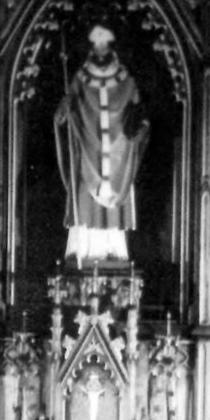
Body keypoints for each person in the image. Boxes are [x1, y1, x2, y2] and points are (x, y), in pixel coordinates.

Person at [54, 24, 149, 262]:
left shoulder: (125, 79)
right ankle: (84, 252)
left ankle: (113, 254)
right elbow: (69, 108)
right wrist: (66, 109)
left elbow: (137, 108)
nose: (100, 51)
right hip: (89, 152)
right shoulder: (80, 78)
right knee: (85, 198)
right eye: (96, 46)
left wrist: (138, 122)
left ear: (110, 48)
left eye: (104, 45)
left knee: (114, 207)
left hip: (118, 155)